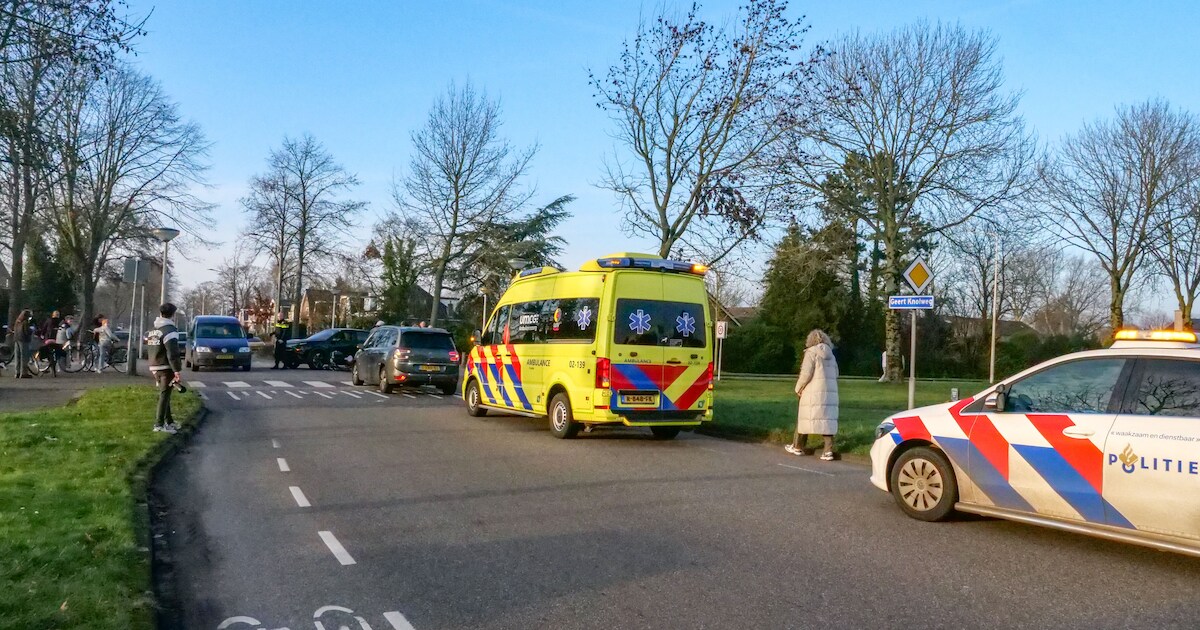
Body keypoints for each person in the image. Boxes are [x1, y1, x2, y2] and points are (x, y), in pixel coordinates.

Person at [785, 329, 840, 461]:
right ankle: (828, 451)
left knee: (805, 417)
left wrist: (798, 387)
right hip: (829, 392)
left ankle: (797, 446)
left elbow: (806, 373)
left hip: (812, 391)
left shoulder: (811, 353)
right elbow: (836, 373)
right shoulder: (831, 355)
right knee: (827, 420)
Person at [146, 303, 183, 434]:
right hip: (165, 366)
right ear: (172, 315)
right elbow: (172, 353)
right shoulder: (170, 331)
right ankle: (159, 424)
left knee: (165, 394)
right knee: (164, 395)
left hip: (154, 365)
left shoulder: (154, 329)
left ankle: (169, 422)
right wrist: (177, 370)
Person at [13, 309, 36, 378]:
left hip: (17, 339)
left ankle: (17, 372)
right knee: (24, 357)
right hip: (24, 340)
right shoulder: (25, 322)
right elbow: (27, 332)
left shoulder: (17, 321)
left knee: (17, 357)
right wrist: (32, 330)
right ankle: (24, 373)